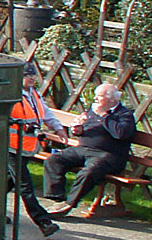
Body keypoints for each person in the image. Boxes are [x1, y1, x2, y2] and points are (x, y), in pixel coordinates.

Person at [43, 82, 137, 216]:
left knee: (89, 172)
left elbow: (121, 133)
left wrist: (105, 116)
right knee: (54, 160)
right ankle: (57, 199)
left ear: (112, 99)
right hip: (83, 149)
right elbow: (86, 128)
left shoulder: (124, 114)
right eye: (96, 96)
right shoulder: (93, 110)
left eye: (99, 96)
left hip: (108, 154)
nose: (96, 99)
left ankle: (69, 204)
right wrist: (78, 130)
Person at [10, 68, 68, 236]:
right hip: (11, 147)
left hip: (27, 147)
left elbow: (45, 114)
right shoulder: (12, 95)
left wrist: (59, 129)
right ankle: (44, 222)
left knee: (10, 180)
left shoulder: (34, 94)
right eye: (27, 75)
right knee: (25, 185)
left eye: (33, 75)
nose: (31, 78)